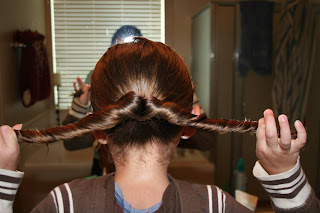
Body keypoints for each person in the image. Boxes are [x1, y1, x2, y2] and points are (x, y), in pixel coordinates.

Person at [0, 38, 319, 212]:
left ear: (98, 128)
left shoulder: (64, 204)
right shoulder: (215, 206)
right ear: (188, 124)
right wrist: (283, 173)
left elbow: (73, 140)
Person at [64, 26, 216, 176]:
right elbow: (72, 143)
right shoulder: (108, 105)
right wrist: (80, 105)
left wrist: (190, 97)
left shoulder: (162, 114)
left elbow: (206, 140)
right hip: (103, 171)